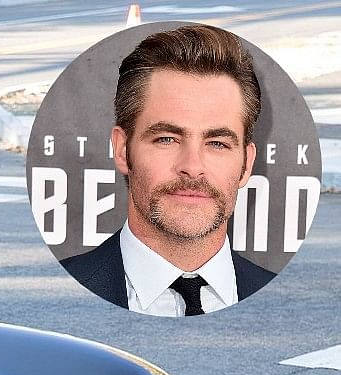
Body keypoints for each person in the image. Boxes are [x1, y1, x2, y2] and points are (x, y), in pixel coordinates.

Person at [61, 24, 275, 316]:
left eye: (217, 143)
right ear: (123, 150)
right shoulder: (58, 295)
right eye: (167, 139)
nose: (192, 167)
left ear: (246, 164)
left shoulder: (285, 305)